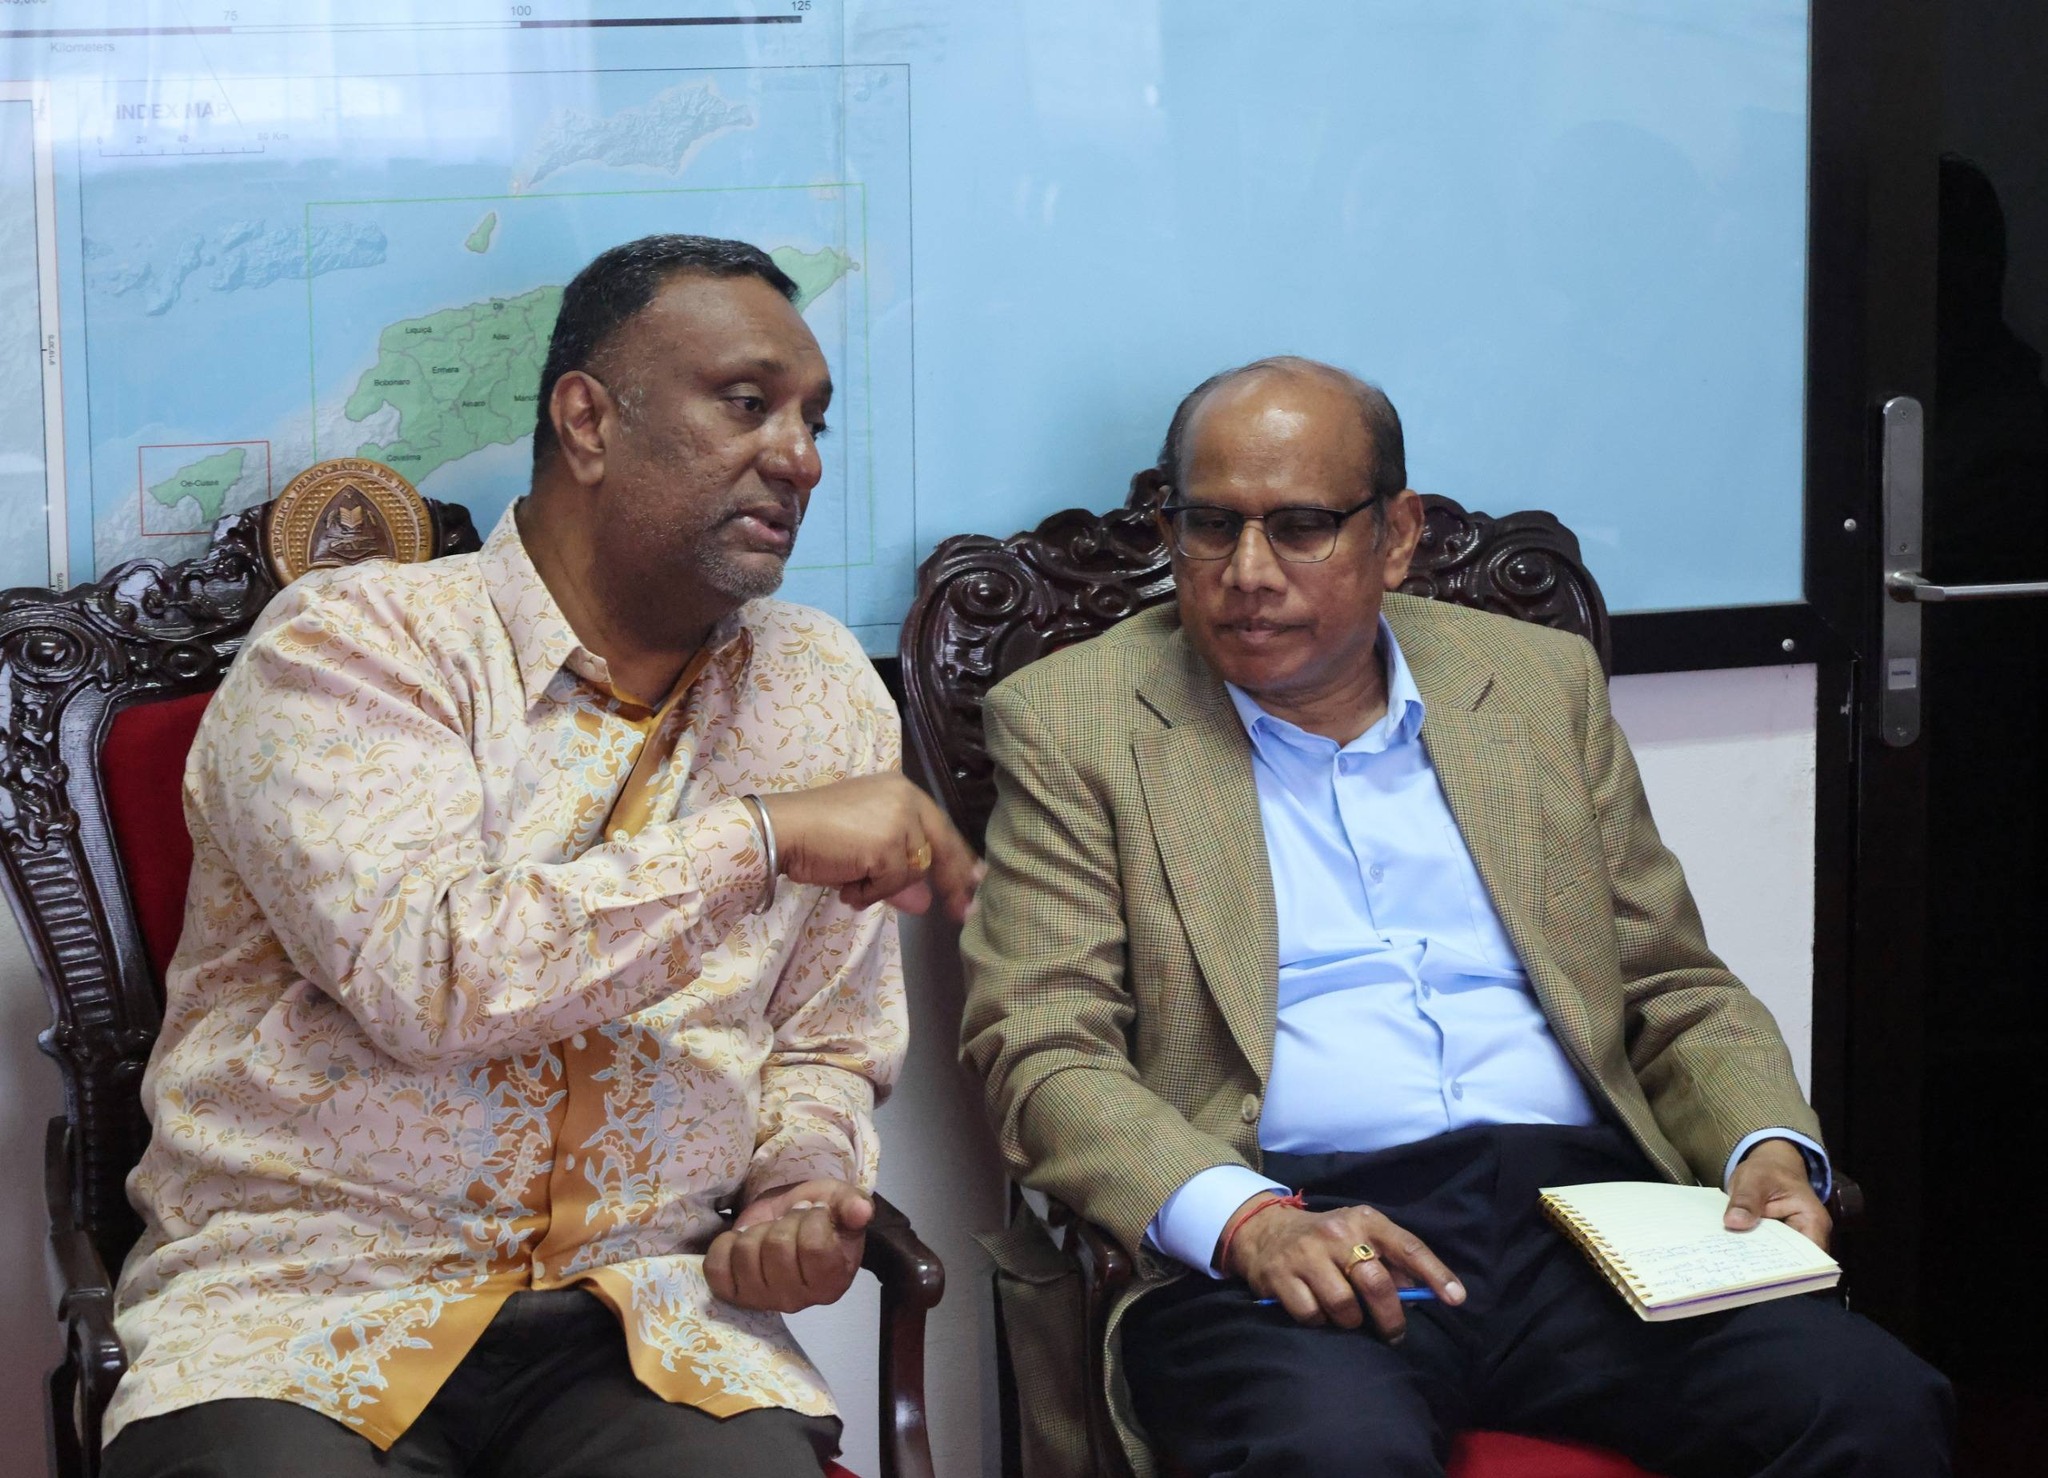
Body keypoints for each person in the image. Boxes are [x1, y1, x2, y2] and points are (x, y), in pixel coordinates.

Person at [959, 357, 1950, 1476]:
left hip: (1587, 1219)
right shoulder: (1075, 721)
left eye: (1300, 527)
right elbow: (1042, 1045)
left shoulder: (1531, 683)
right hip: (1299, 1219)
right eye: (1209, 525)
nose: (1247, 573)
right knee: (1333, 1453)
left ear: (1395, 535)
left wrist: (1764, 1143)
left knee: (1869, 1404)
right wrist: (1245, 1220)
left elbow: (1671, 984)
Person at [103, 235, 979, 1478]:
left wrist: (800, 1183)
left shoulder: (817, 685)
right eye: (747, 404)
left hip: (645, 1312)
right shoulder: (355, 646)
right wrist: (761, 837)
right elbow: (429, 975)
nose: (799, 457)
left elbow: (825, 1037)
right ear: (587, 420)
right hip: (305, 1302)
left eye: (811, 420)